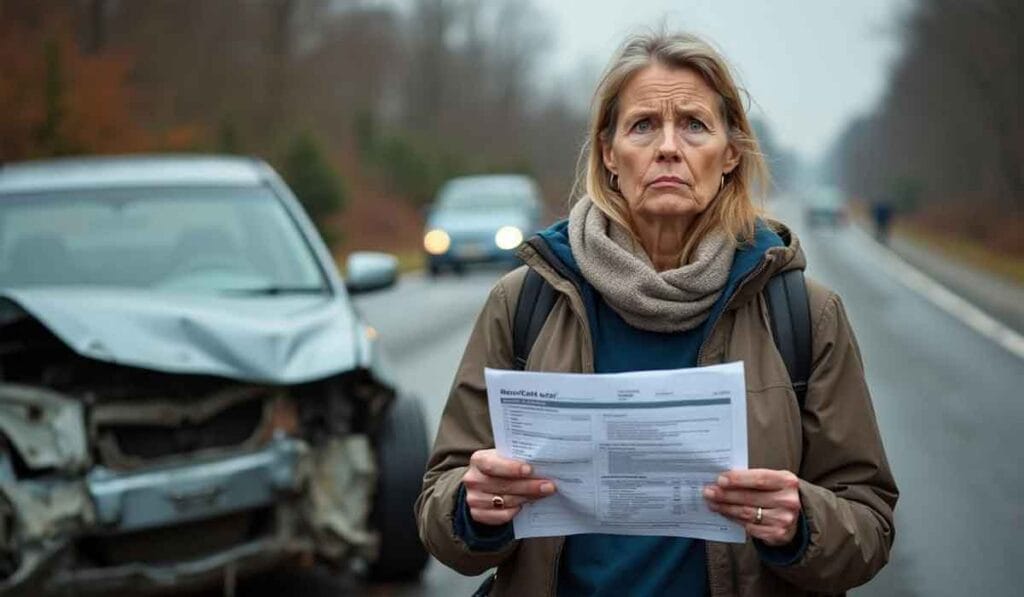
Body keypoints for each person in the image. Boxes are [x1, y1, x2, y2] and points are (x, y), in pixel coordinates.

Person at [416, 31, 897, 596]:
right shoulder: (523, 302)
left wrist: (801, 522)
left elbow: (869, 522)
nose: (668, 147)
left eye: (694, 125)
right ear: (608, 153)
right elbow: (438, 507)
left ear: (731, 152)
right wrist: (474, 508)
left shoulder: (805, 315)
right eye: (643, 125)